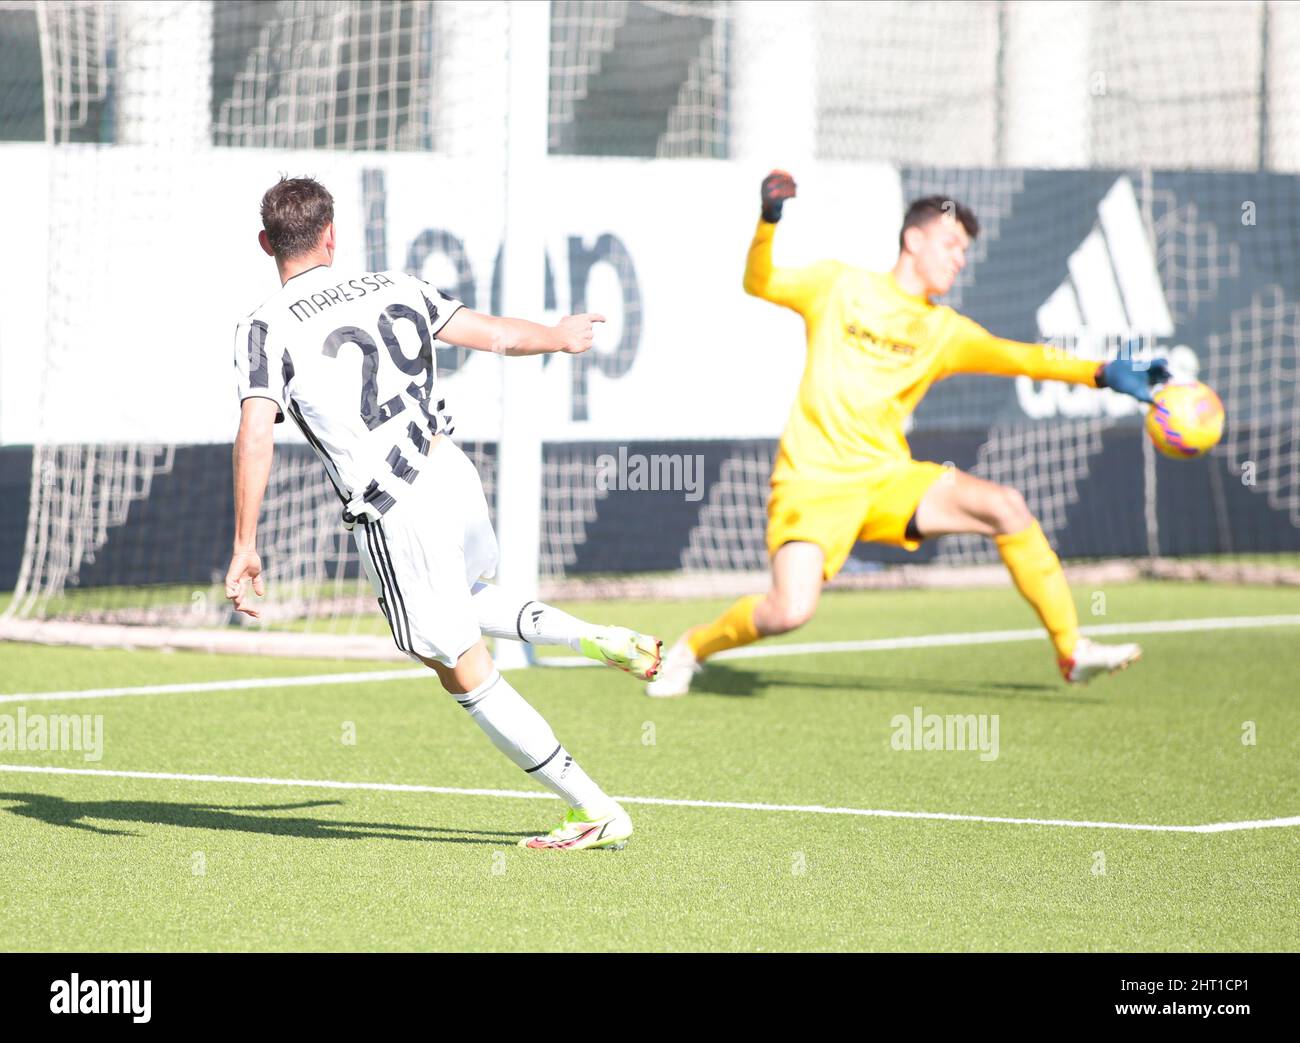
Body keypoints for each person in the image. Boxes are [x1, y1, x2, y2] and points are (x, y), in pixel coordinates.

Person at [225, 176, 660, 851]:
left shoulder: (266, 323)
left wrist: (244, 542)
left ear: (265, 244)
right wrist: (557, 335)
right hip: (451, 471)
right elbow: (493, 336)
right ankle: (589, 636)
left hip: (397, 503)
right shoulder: (396, 284)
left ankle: (593, 805)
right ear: (331, 235)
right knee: (470, 599)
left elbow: (256, 430)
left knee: (461, 667)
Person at [648, 171, 1168, 697]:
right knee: (789, 611)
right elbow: (759, 282)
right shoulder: (839, 286)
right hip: (814, 485)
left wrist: (1102, 373)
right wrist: (769, 221)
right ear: (913, 239)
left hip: (887, 481)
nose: (958, 258)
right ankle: (692, 647)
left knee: (1006, 506)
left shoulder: (944, 331)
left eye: (964, 251)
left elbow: (1023, 357)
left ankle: (1072, 650)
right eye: (950, 244)